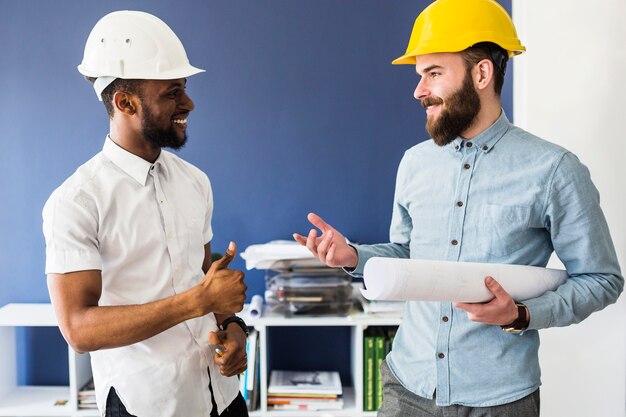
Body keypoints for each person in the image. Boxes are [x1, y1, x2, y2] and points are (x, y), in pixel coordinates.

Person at [293, 0, 623, 415]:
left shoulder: (554, 169)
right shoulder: (414, 162)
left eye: (434, 73)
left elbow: (601, 278)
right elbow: (410, 256)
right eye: (419, 75)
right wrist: (354, 256)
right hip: (406, 385)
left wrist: (522, 314)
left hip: (498, 399)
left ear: (481, 73)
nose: (418, 91)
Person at [42, 11, 249, 417]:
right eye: (172, 92)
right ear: (125, 102)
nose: (188, 102)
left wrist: (236, 330)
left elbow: (207, 282)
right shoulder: (77, 201)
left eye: (185, 88)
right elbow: (78, 329)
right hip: (147, 405)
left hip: (222, 397)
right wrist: (196, 301)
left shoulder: (195, 182)